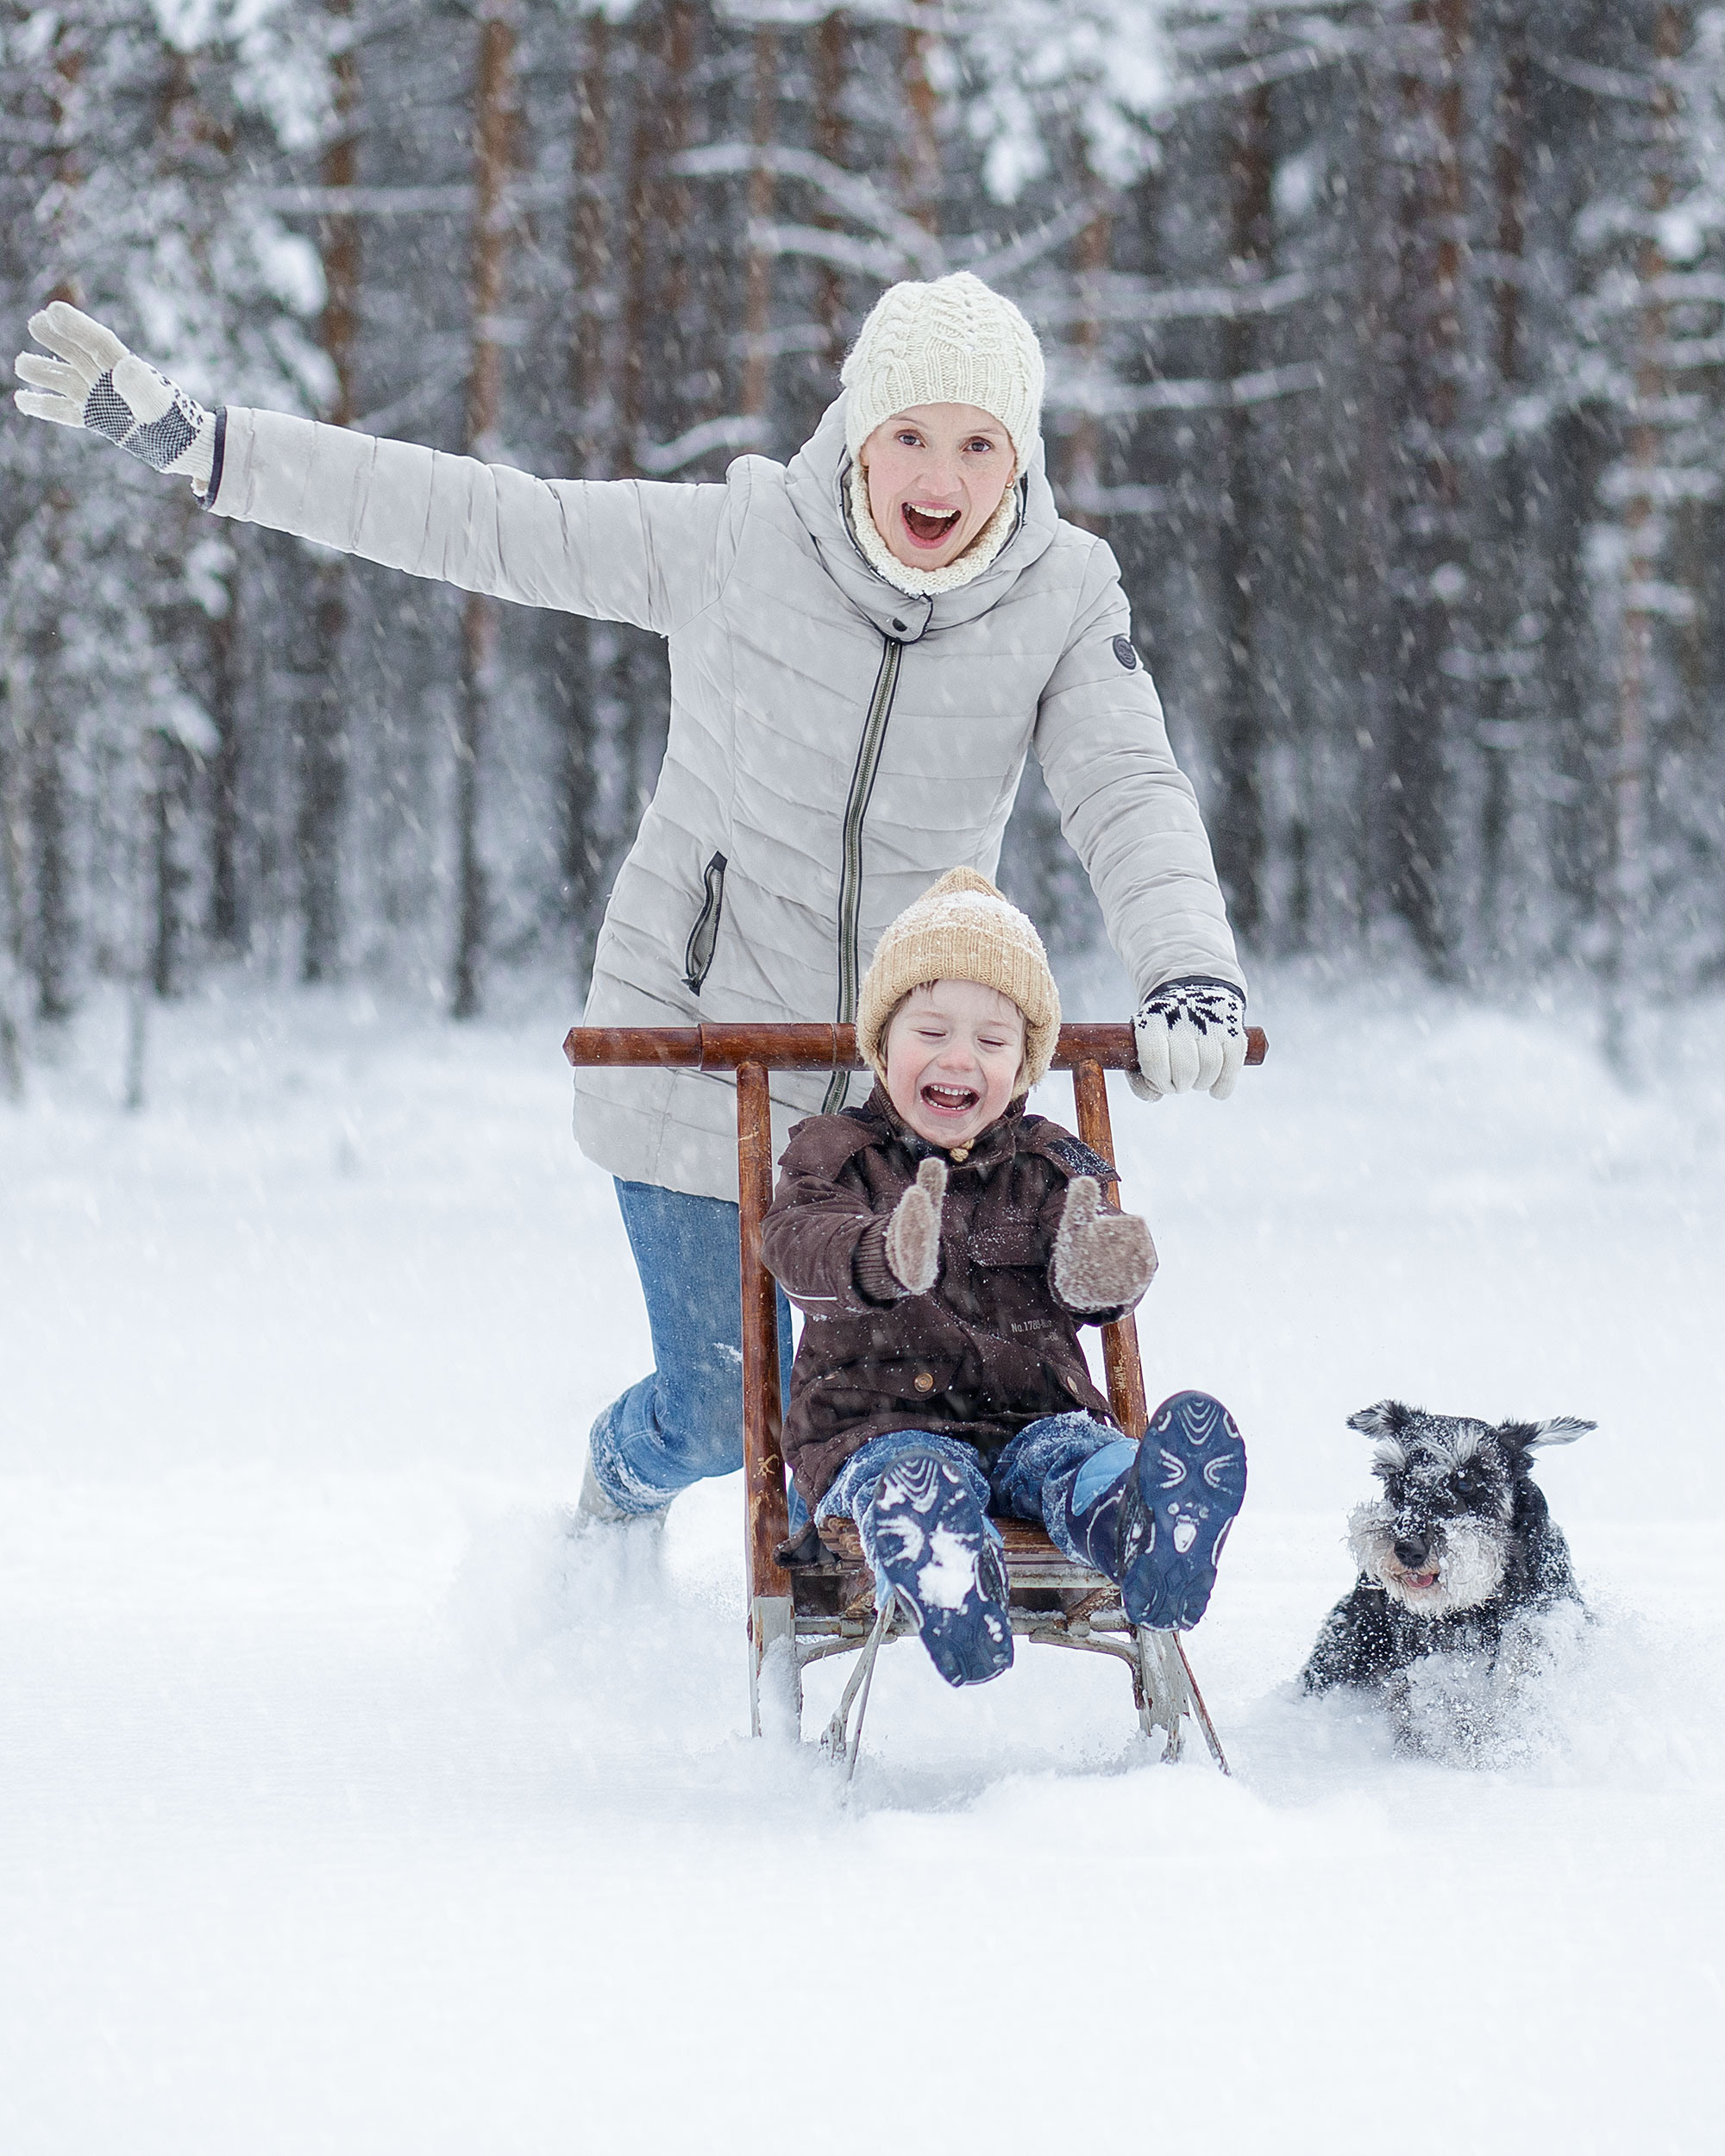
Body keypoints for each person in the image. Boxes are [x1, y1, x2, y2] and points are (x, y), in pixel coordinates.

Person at [13, 273, 1250, 1532]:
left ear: (1019, 457)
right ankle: (612, 1498)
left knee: (906, 1400)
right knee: (726, 1417)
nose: (941, 475)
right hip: (695, 1042)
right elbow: (487, 519)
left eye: (980, 443)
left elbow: (1129, 787)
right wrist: (208, 446)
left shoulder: (1065, 595)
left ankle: (928, 1595)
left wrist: (1187, 964)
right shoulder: (740, 542)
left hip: (909, 1087)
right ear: (860, 431)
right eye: (912, 435)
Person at [760, 868, 1246, 1684]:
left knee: (1076, 1457)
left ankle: (1142, 1517)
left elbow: (1087, 1262)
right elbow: (797, 1245)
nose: (961, 1058)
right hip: (872, 1430)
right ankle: (942, 1552)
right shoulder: (834, 1153)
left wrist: (1103, 1274)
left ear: (1023, 1066)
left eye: (992, 1042)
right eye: (932, 1032)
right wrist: (880, 1254)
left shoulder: (1051, 1163)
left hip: (1033, 1419)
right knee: (910, 1474)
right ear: (881, 1046)